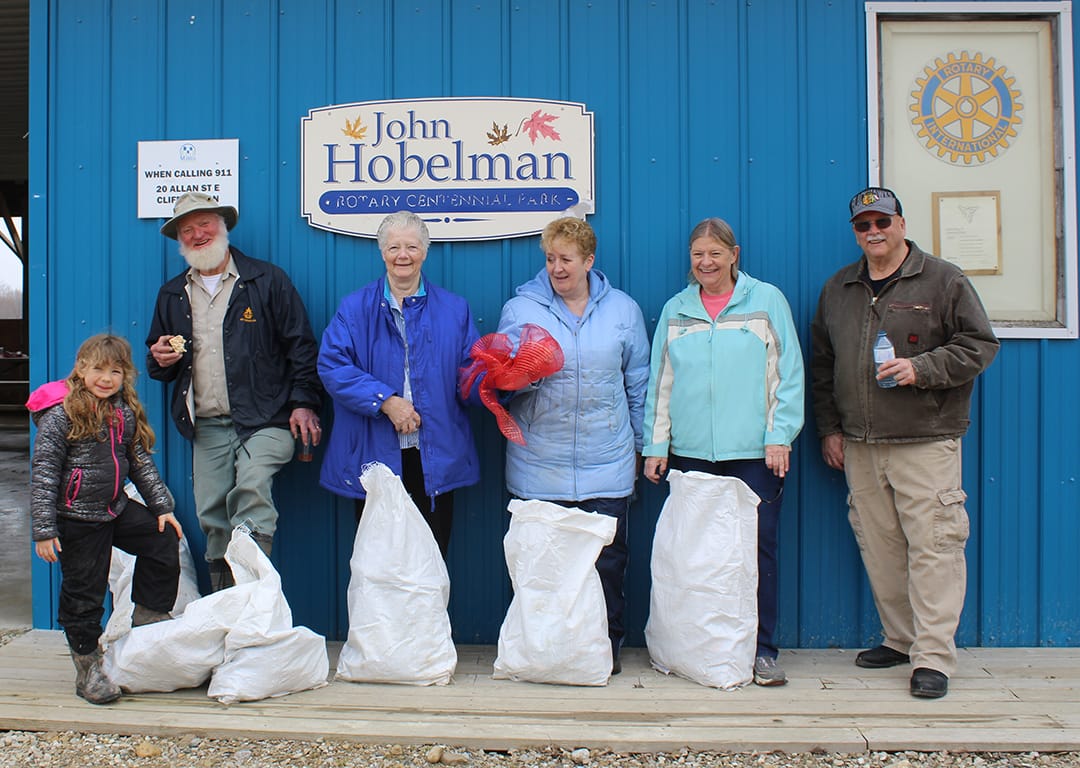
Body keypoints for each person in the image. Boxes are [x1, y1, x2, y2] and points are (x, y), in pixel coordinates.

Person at [811, 186, 999, 699]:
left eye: (882, 222)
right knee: (881, 546)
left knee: (935, 545)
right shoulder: (839, 288)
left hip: (925, 439)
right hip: (861, 444)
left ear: (901, 224)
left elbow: (979, 345)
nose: (873, 232)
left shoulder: (943, 279)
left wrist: (922, 367)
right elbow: (822, 366)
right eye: (863, 226)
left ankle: (934, 656)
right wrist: (830, 428)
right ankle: (901, 638)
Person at [643, 217, 804, 687]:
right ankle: (699, 648)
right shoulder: (677, 309)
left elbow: (787, 374)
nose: (706, 262)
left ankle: (761, 651)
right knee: (695, 555)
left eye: (715, 253)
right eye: (698, 254)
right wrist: (656, 445)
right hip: (692, 454)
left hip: (755, 454)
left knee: (756, 553)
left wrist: (780, 435)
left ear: (734, 254)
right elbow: (661, 382)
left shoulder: (765, 301)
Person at [496, 216, 650, 675]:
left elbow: (638, 384)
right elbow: (498, 378)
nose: (557, 268)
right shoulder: (521, 310)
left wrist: (642, 446)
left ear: (589, 260)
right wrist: (511, 374)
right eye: (549, 258)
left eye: (566, 259)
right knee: (540, 564)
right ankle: (541, 652)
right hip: (538, 462)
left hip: (608, 460)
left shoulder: (623, 310)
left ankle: (603, 650)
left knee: (607, 565)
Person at [146, 192, 323, 591]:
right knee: (212, 513)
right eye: (187, 229)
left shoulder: (267, 279)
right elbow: (158, 363)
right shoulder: (172, 294)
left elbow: (301, 346)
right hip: (206, 424)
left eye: (205, 224)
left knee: (252, 489)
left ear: (223, 227)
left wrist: (304, 402)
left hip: (268, 418)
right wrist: (159, 358)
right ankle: (227, 608)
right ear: (180, 240)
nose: (197, 234)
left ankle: (253, 601)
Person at [28, 334, 182, 705]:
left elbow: (140, 462)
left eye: (115, 371)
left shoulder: (122, 411)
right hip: (77, 517)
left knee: (162, 541)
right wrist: (44, 530)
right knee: (85, 594)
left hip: (115, 507)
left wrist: (162, 507)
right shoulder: (61, 414)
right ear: (81, 369)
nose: (106, 378)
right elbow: (45, 473)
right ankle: (88, 669)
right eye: (98, 369)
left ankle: (148, 616)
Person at [318, 210, 480, 557]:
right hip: (374, 453)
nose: (402, 255)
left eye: (411, 246)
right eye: (393, 247)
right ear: (382, 252)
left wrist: (504, 381)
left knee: (431, 561)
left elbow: (471, 373)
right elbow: (332, 365)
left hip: (434, 455)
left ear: (425, 251)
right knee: (378, 566)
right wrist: (385, 401)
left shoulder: (455, 310)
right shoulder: (354, 308)